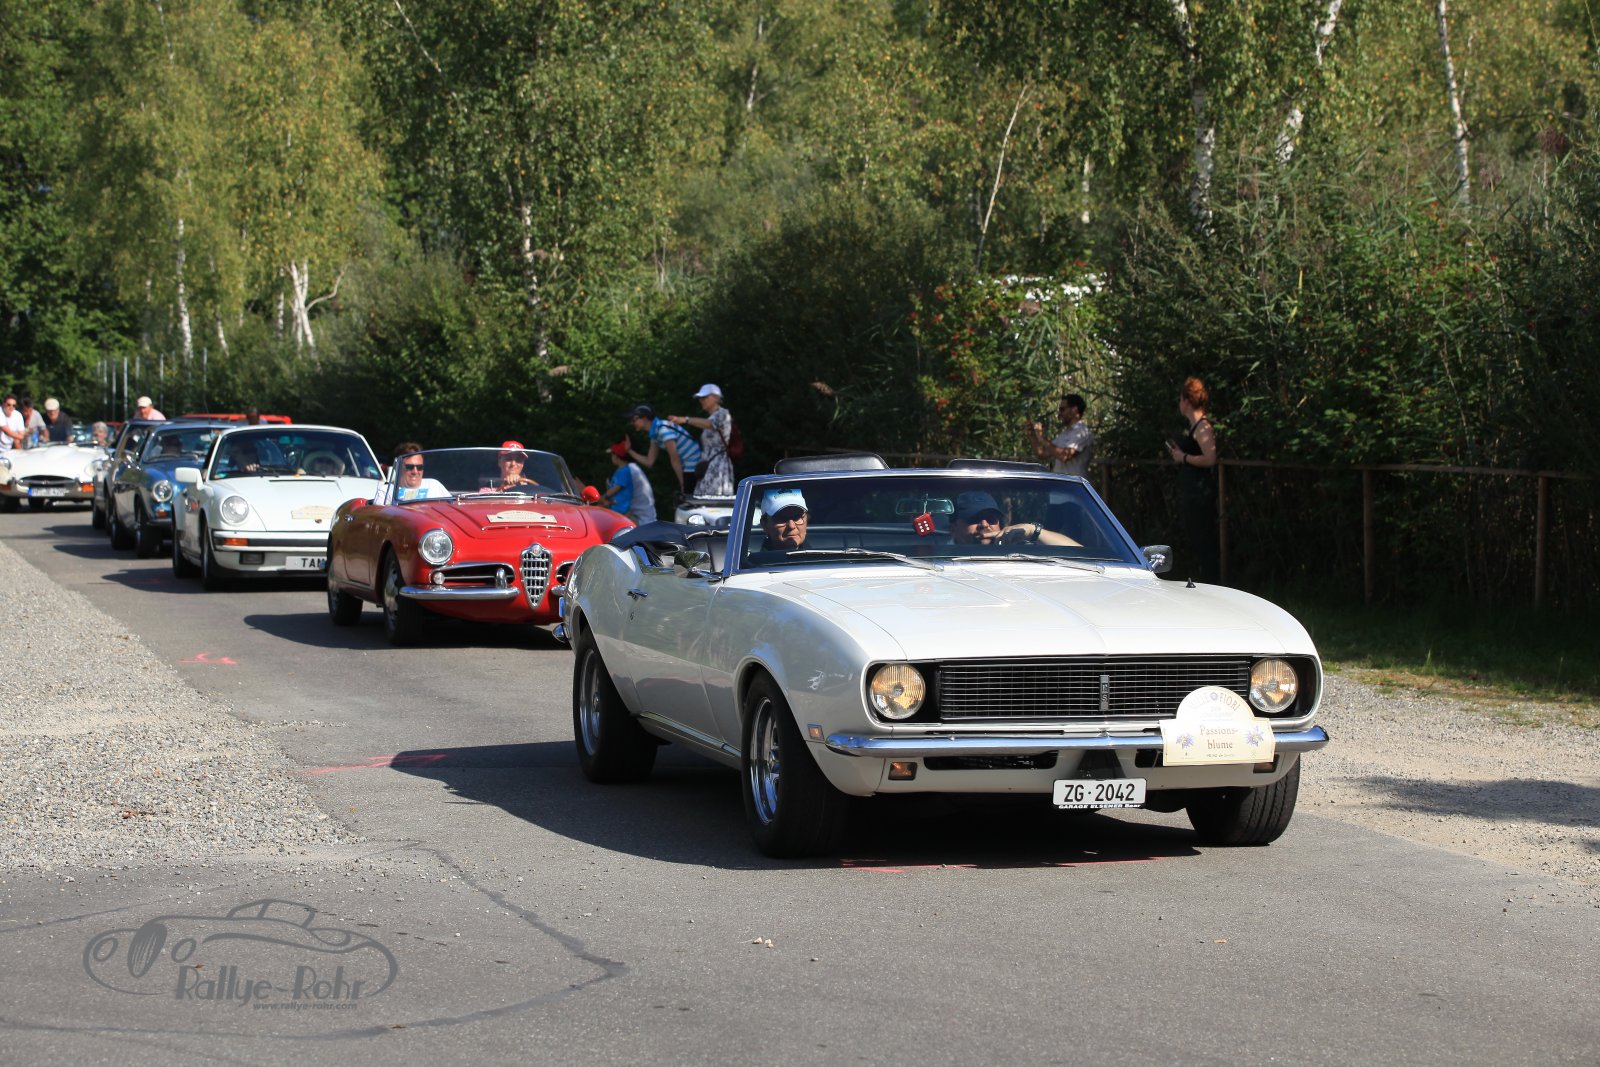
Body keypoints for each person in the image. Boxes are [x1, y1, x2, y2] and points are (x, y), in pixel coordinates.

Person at [1164, 375, 1220, 584]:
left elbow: (1210, 458)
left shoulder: (1203, 427)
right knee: (1197, 538)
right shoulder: (1194, 427)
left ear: (1187, 401)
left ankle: (1212, 582)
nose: (1179, 404)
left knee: (1205, 539)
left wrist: (1184, 457)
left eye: (1180, 399)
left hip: (1201, 492)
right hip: (1192, 492)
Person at [949, 490, 1080, 547]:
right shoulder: (939, 559)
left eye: (991, 518)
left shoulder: (1016, 551)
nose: (984, 524)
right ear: (953, 529)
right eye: (973, 518)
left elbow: (1078, 552)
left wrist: (1031, 530)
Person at [668, 384, 734, 497]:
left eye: (704, 397)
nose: (701, 401)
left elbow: (710, 424)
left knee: (714, 501)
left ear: (716, 398)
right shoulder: (712, 417)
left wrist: (685, 420)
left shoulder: (723, 413)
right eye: (700, 398)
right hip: (708, 467)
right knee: (704, 501)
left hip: (718, 467)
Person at [626, 403, 701, 496]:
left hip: (695, 463)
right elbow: (649, 462)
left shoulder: (663, 430)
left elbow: (675, 459)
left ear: (644, 417)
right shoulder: (655, 433)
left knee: (690, 498)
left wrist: (683, 485)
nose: (631, 423)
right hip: (690, 465)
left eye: (634, 419)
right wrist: (629, 451)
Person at [1026, 393, 1093, 478]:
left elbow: (1064, 456)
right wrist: (1032, 436)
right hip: (1062, 484)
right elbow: (1042, 454)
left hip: (1074, 484)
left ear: (1074, 410)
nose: (1059, 414)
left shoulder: (1082, 432)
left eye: (1062, 409)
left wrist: (1042, 438)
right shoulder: (1064, 434)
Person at [602, 440, 656, 524]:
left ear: (616, 456)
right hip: (629, 512)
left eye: (612, 454)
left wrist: (604, 497)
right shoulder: (629, 469)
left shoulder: (626, 470)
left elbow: (616, 488)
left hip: (633, 516)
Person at [754, 488, 810, 553]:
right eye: (782, 518)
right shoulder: (749, 559)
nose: (791, 526)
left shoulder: (819, 557)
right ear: (764, 524)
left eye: (797, 517)